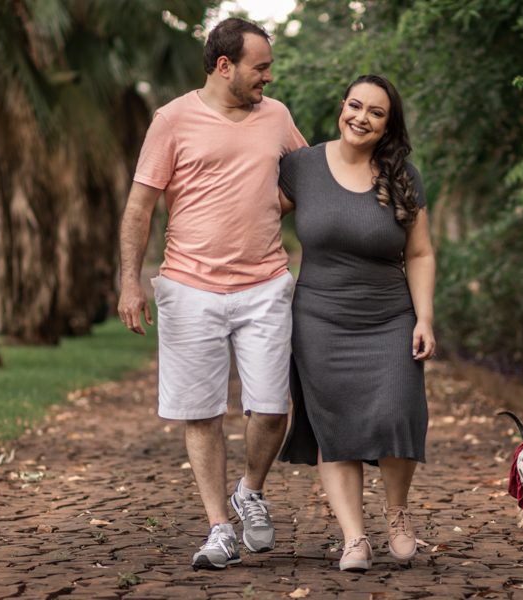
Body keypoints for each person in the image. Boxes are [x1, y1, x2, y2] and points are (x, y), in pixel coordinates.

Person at [117, 17, 306, 570]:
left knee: (272, 408)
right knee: (200, 413)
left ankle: (249, 490)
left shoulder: (277, 117)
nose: (268, 78)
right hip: (189, 286)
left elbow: (304, 179)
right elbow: (139, 206)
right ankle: (219, 526)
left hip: (265, 283)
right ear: (225, 66)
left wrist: (273, 205)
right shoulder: (172, 119)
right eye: (261, 67)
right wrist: (130, 280)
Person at [277, 74, 436, 571]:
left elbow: (422, 252)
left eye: (375, 112)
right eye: (354, 105)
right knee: (335, 428)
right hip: (320, 319)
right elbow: (252, 213)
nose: (360, 117)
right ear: (341, 106)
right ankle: (354, 539)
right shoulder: (301, 167)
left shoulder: (402, 175)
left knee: (397, 412)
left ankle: (397, 514)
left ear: (388, 125)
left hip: (390, 317)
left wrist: (424, 318)